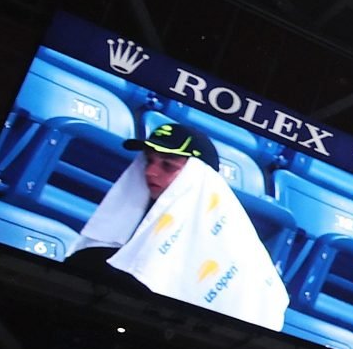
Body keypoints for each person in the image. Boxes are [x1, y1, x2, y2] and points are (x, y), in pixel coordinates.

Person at [70, 122, 289, 330]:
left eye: (167, 165)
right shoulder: (109, 244)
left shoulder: (241, 264)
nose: (150, 172)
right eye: (148, 161)